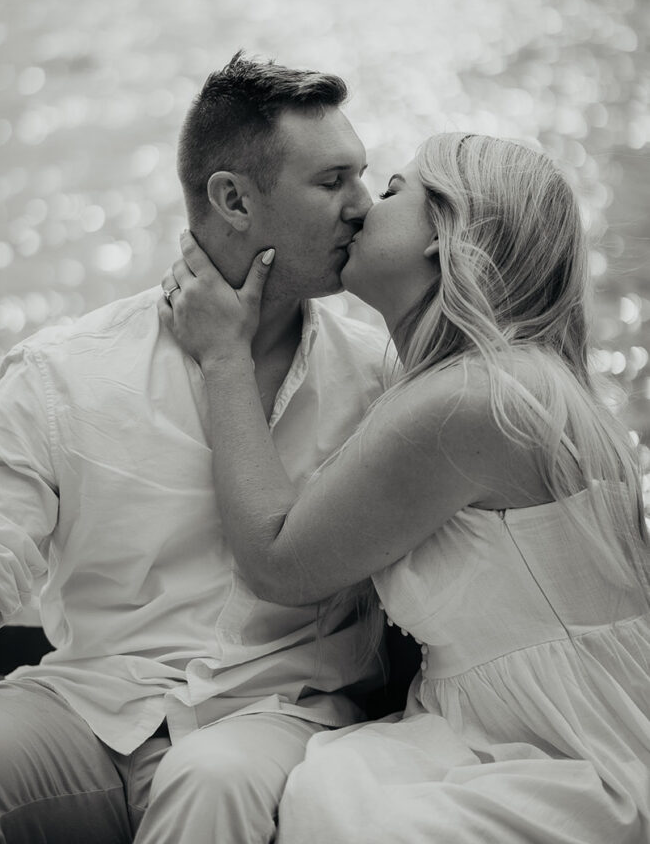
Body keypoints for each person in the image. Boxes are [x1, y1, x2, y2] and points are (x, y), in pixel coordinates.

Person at [163, 132, 650, 843]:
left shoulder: (467, 400)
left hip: (570, 760)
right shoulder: (518, 382)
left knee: (356, 809)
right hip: (511, 724)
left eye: (393, 190)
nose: (361, 207)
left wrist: (224, 354)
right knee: (331, 784)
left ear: (442, 235)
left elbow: (277, 561)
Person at [0, 52, 389, 843]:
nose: (363, 207)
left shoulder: (377, 378)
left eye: (361, 177)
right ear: (232, 198)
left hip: (277, 717)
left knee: (212, 780)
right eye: (333, 182)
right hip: (89, 707)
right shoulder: (66, 371)